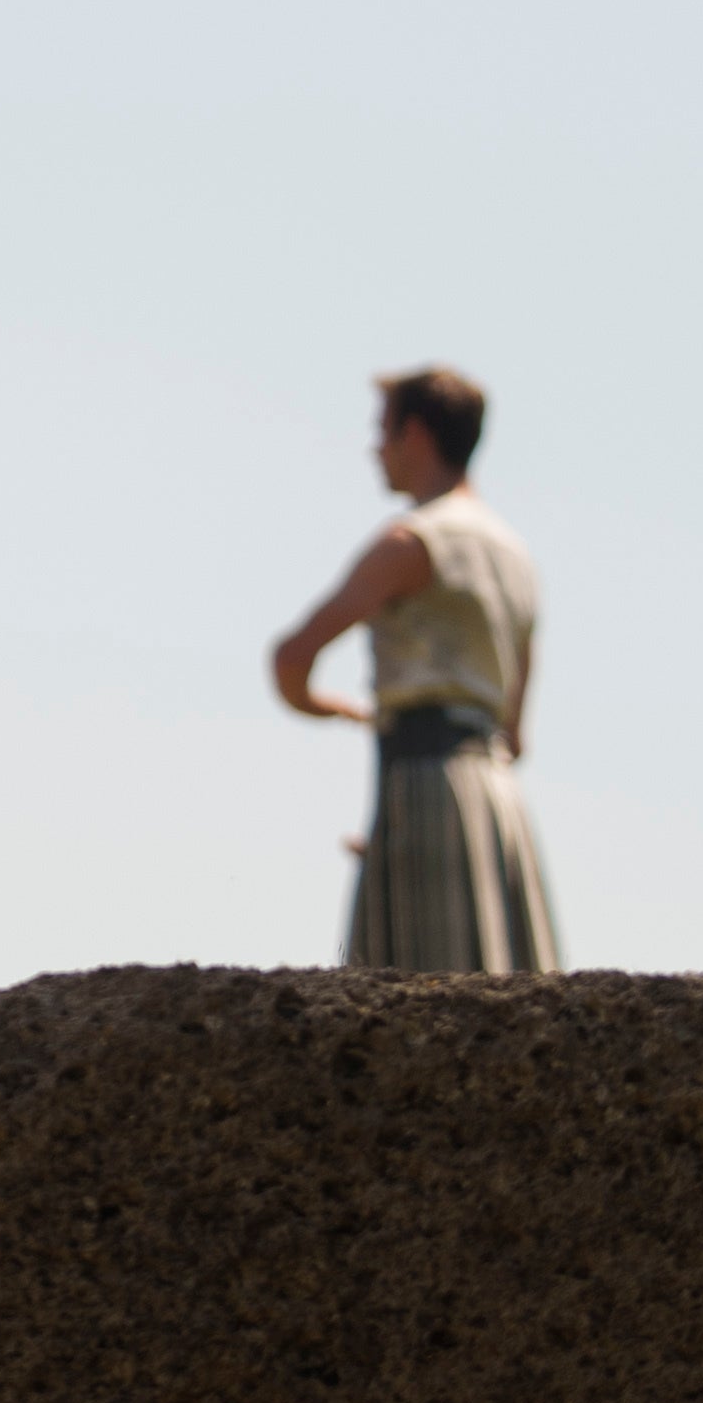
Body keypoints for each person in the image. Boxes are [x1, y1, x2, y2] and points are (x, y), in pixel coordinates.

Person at [273, 362, 554, 972]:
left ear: (417, 435)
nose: (377, 449)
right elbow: (515, 733)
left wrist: (329, 709)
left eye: (384, 431)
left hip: (424, 782)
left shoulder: (410, 543)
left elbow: (291, 660)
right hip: (498, 799)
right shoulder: (516, 557)